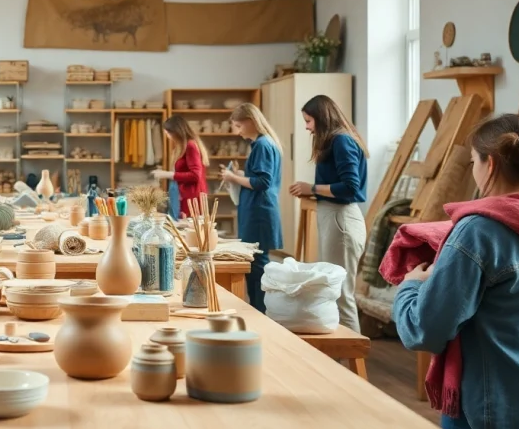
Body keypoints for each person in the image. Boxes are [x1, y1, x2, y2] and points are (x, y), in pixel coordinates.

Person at [393, 113, 519, 429]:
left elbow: (425, 330)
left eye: (473, 160)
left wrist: (411, 286)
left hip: (492, 412)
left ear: (490, 165)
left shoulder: (478, 232)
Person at [289, 94, 368, 333]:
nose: (307, 127)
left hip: (341, 219)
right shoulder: (338, 140)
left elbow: (351, 187)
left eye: (309, 121)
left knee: (341, 295)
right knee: (335, 293)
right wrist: (313, 193)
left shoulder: (341, 141)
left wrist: (311, 188)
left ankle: (352, 364)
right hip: (334, 217)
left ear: (322, 119)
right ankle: (341, 361)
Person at [220, 103, 283, 313]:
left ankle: (259, 312)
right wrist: (238, 176)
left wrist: (232, 177)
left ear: (251, 121)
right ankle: (257, 309)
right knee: (255, 263)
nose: (237, 131)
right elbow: (257, 178)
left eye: (239, 125)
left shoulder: (263, 145)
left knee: (256, 265)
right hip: (255, 210)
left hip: (259, 212)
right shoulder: (259, 144)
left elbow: (262, 182)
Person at [153, 115, 209, 218]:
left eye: (167, 133)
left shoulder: (190, 146)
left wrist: (167, 174)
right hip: (186, 195)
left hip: (191, 198)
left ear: (175, 132)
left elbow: (195, 175)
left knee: (188, 229)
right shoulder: (183, 146)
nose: (167, 136)